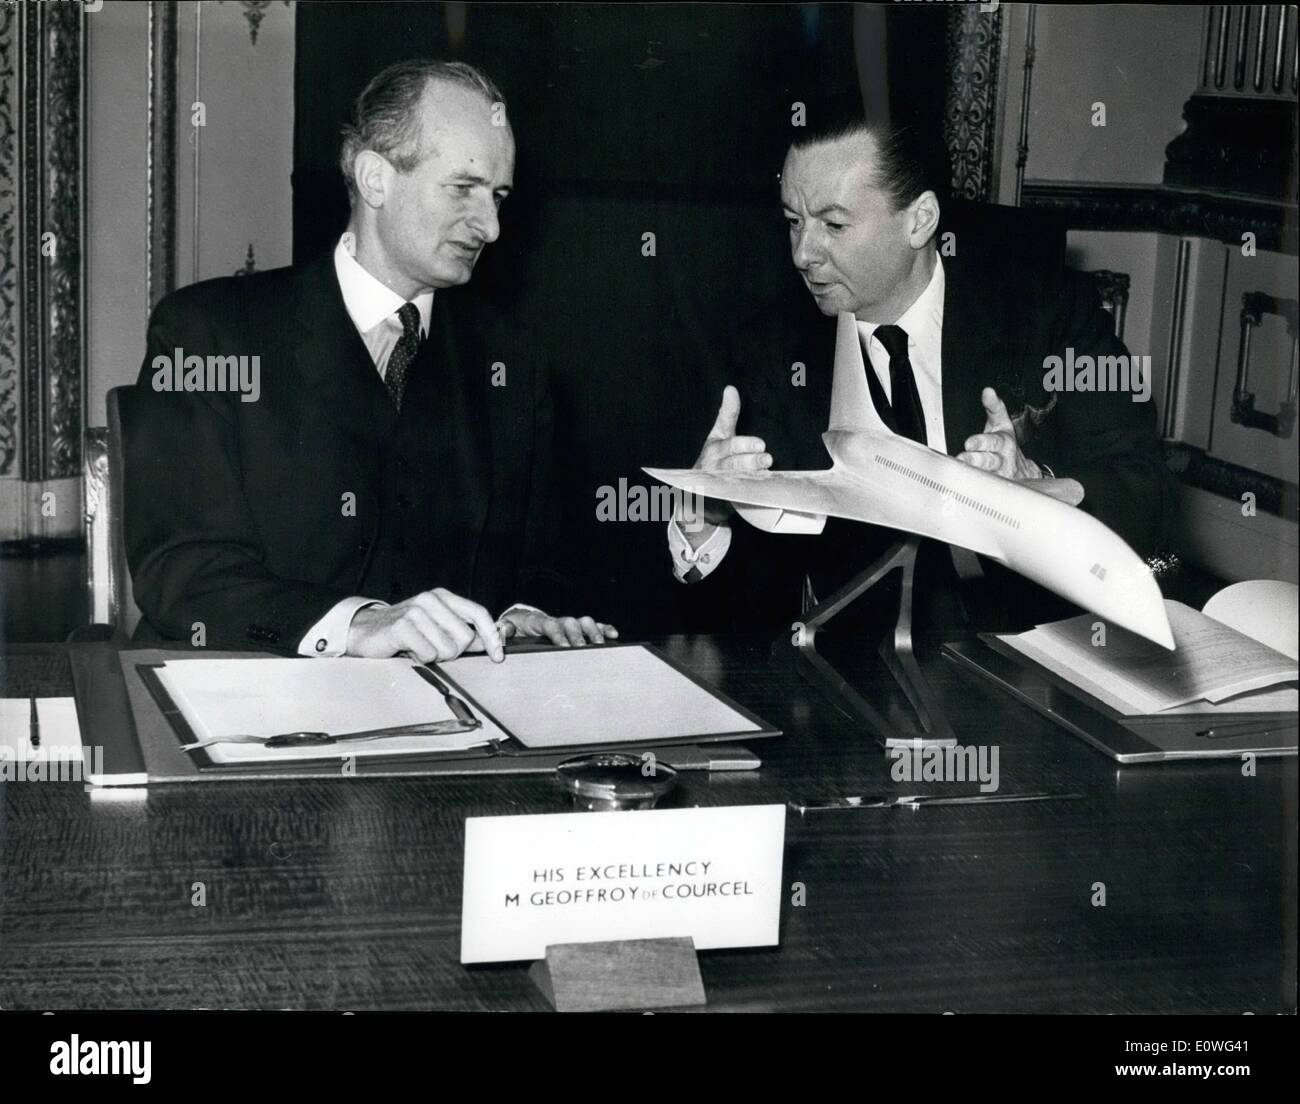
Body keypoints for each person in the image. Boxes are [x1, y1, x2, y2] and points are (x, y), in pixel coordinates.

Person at [125, 59, 615, 661]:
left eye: (499, 195)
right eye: (463, 188)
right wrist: (356, 625)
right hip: (261, 702)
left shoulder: (514, 363)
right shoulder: (206, 334)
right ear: (374, 178)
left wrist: (526, 616)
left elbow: (547, 563)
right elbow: (180, 567)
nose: (489, 226)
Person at [667, 104, 1175, 633]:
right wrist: (703, 521)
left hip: (1022, 658)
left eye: (833, 224)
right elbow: (742, 609)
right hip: (853, 670)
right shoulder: (771, 350)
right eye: (794, 222)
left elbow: (1147, 493)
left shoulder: (1048, 312)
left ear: (920, 220)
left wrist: (1039, 488)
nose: (802, 253)